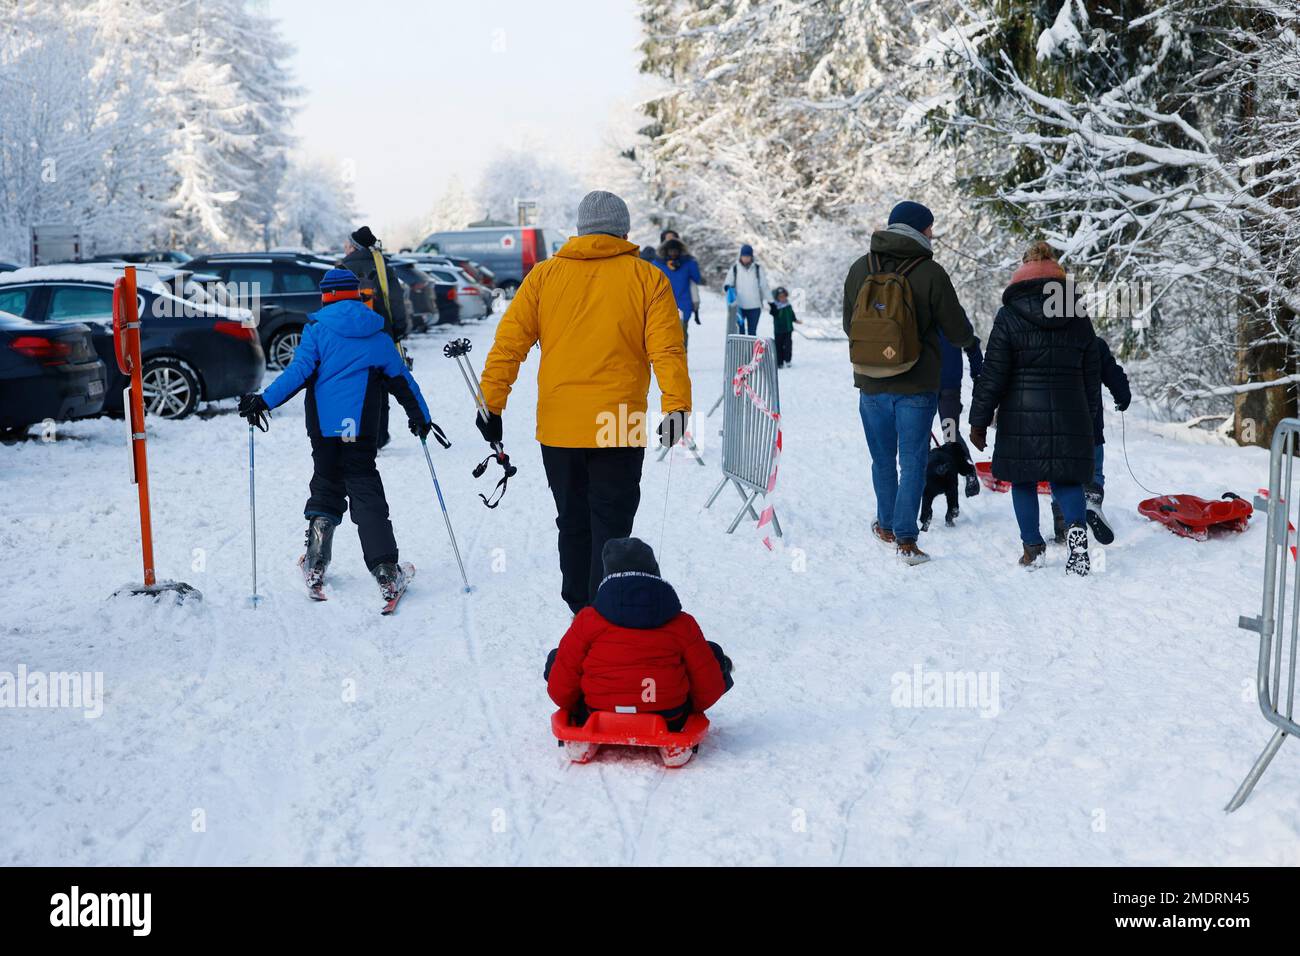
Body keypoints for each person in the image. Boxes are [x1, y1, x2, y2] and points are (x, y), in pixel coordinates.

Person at [477, 190, 692, 614]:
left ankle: (581, 608)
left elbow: (508, 345)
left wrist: (491, 405)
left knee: (572, 521)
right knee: (612, 525)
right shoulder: (647, 278)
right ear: (624, 230)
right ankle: (607, 610)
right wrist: (676, 406)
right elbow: (667, 350)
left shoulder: (542, 277)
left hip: (560, 427)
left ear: (579, 231)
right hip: (620, 422)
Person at [237, 269, 435, 603]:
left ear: (326, 295)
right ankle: (386, 571)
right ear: (356, 294)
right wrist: (420, 417)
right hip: (360, 428)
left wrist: (263, 401)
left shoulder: (317, 329)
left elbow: (297, 373)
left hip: (325, 428)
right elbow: (402, 380)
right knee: (364, 487)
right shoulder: (377, 332)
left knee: (327, 483)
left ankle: (315, 564)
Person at [842, 200, 976, 565]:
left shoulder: (860, 268)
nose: (932, 233)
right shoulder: (930, 272)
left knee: (882, 460)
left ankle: (885, 525)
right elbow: (956, 328)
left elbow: (847, 325)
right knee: (913, 462)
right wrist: (968, 343)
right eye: (929, 227)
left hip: (870, 382)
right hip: (916, 384)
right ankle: (906, 539)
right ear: (919, 230)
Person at [968, 242, 1101, 575]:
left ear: (1022, 269)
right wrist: (1094, 425)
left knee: (1023, 480)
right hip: (1072, 411)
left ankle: (1032, 548)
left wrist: (979, 421)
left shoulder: (1010, 314)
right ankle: (1077, 541)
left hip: (1021, 414)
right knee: (1067, 479)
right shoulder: (1078, 315)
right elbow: (1091, 374)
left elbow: (993, 372)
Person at [544, 537, 733, 731]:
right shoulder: (682, 624)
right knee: (711, 654)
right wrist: (689, 704)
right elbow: (709, 689)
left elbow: (561, 691)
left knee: (559, 658)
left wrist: (578, 705)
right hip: (670, 717)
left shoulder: (587, 621)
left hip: (598, 711)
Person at [1051, 335, 1131, 544]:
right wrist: (1122, 397)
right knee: (1093, 470)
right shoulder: (1095, 344)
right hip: (1090, 426)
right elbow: (1114, 374)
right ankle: (1092, 499)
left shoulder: (1048, 343)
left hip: (1056, 425)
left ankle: (1063, 525)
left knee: (1060, 474)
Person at [340, 226, 410, 449]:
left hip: (350, 338)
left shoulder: (341, 268)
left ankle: (356, 433)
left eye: (347, 244)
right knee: (380, 384)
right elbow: (396, 300)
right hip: (381, 333)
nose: (344, 248)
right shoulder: (382, 266)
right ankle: (380, 435)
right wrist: (399, 328)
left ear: (354, 247)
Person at [653, 237, 703, 349]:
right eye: (671, 251)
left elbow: (697, 278)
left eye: (676, 251)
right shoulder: (658, 264)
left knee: (682, 335)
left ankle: (683, 361)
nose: (673, 253)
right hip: (664, 306)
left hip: (683, 305)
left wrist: (692, 262)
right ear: (666, 251)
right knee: (666, 337)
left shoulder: (688, 263)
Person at [937, 329, 983, 444]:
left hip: (923, 388)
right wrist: (978, 373)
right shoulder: (952, 314)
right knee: (951, 436)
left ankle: (957, 459)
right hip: (948, 385)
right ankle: (958, 459)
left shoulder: (916, 312)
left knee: (921, 438)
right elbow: (971, 344)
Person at [724, 244, 771, 335]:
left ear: (751, 257)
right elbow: (727, 283)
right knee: (740, 332)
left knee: (752, 332)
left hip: (755, 307)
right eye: (744, 256)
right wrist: (727, 288)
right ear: (740, 256)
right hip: (739, 307)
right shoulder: (735, 269)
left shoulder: (757, 269)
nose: (745, 258)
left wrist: (771, 302)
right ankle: (741, 349)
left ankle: (751, 349)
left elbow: (764, 286)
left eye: (748, 256)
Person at [767, 286, 802, 368]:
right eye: (780, 296)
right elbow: (772, 312)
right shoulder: (776, 307)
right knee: (778, 346)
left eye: (784, 296)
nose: (782, 298)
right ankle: (779, 362)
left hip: (788, 329)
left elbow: (791, 314)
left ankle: (788, 360)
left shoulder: (788, 305)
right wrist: (772, 305)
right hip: (779, 330)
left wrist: (795, 320)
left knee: (788, 345)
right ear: (777, 298)